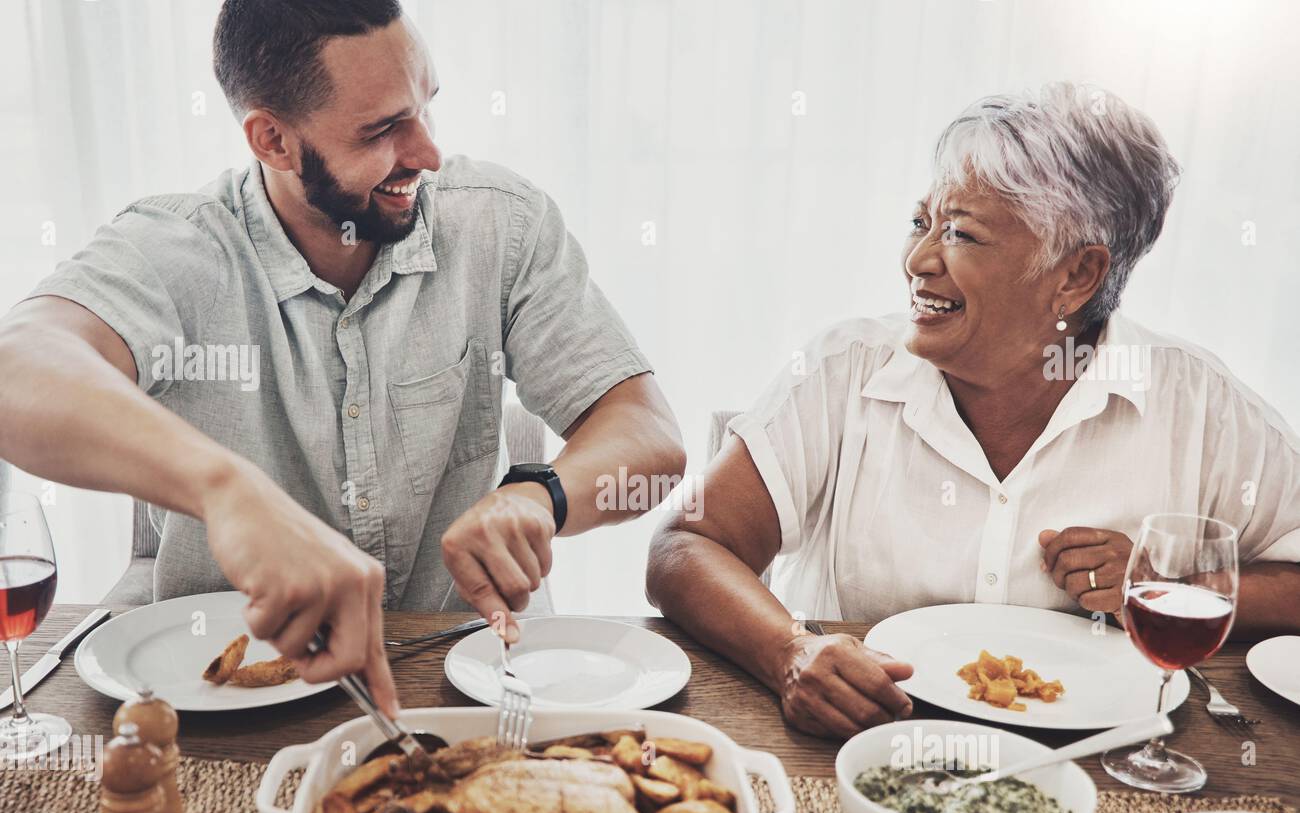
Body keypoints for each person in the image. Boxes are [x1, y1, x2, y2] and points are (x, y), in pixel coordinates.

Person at [0, 0, 685, 717]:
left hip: (466, 677)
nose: (427, 153)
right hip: (220, 699)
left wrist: (541, 496)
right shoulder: (175, 251)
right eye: (384, 128)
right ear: (273, 140)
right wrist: (229, 493)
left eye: (425, 108)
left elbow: (649, 433)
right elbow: (19, 366)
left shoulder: (500, 224)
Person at [647, 83, 1300, 741]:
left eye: (960, 234)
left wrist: (1178, 582)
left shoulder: (1197, 404)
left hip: (1110, 765)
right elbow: (686, 545)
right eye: (920, 222)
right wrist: (789, 649)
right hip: (859, 749)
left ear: (1075, 276)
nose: (917, 260)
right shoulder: (845, 370)